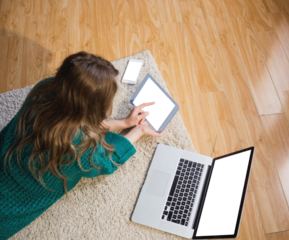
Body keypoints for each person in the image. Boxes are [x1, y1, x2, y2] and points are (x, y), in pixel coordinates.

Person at [0, 51, 166, 239]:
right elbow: (107, 160)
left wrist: (123, 123)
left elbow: (80, 121)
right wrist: (138, 131)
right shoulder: (78, 152)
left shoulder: (43, 89)